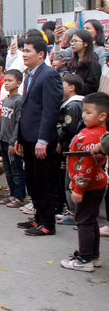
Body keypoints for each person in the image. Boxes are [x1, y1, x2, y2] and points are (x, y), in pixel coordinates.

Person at [16, 35, 64, 236]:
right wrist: (19, 137)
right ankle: (38, 217)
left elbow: (50, 110)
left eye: (28, 51)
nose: (24, 55)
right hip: (27, 137)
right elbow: (26, 109)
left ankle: (47, 223)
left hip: (41, 139)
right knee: (32, 180)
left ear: (41, 54)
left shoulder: (49, 75)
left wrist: (43, 139)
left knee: (43, 182)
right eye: (23, 51)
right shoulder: (30, 74)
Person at [60, 92, 108, 272]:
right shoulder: (98, 133)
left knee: (84, 222)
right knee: (91, 220)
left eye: (88, 112)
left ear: (102, 115)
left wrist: (79, 188)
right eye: (84, 112)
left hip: (88, 186)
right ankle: (93, 255)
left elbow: (87, 165)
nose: (84, 115)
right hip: (97, 184)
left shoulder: (92, 136)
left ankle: (84, 258)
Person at [55, 74, 85, 225]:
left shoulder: (73, 106)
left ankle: (74, 214)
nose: (61, 88)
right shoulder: (76, 104)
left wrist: (59, 135)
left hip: (72, 149)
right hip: (71, 148)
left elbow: (69, 128)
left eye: (63, 84)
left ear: (72, 88)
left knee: (70, 182)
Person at [0, 70, 26, 208]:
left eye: (10, 81)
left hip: (12, 142)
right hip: (3, 139)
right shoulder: (6, 100)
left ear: (19, 83)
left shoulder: (19, 101)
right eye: (5, 80)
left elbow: (18, 123)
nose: (7, 83)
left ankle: (20, 197)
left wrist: (13, 142)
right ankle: (12, 194)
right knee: (8, 170)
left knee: (16, 170)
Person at [68, 30, 101, 95]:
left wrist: (74, 85)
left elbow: (92, 88)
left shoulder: (93, 65)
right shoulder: (72, 62)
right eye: (72, 41)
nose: (72, 44)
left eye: (76, 41)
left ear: (86, 44)